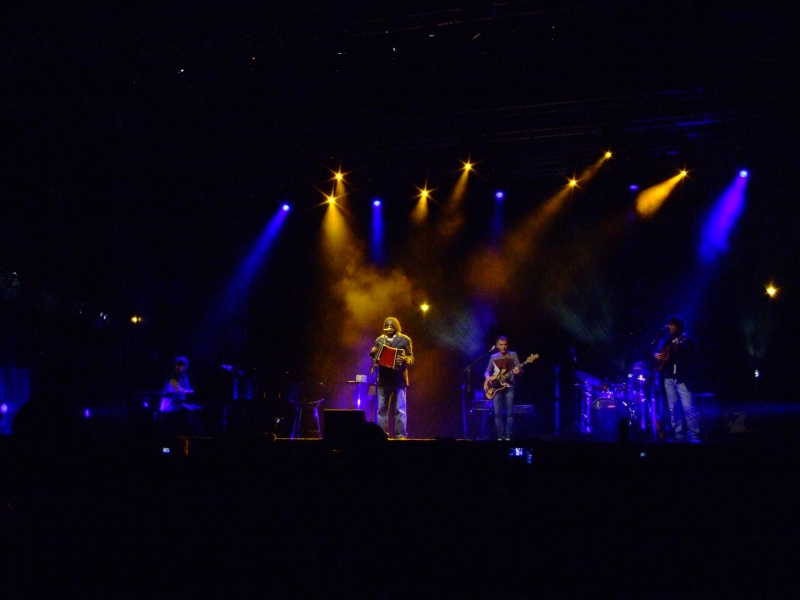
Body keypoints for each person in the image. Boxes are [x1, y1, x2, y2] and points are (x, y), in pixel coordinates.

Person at [654, 315, 700, 443]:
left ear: (678, 326)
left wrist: (681, 346)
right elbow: (661, 355)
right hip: (669, 378)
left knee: (688, 408)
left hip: (683, 378)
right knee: (673, 409)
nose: (669, 327)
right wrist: (658, 356)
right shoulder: (667, 341)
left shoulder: (686, 339)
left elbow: (692, 355)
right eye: (669, 324)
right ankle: (678, 436)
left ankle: (694, 436)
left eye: (672, 324)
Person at [369, 317, 414, 439]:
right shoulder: (380, 340)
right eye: (387, 326)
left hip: (399, 379)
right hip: (384, 379)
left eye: (392, 326)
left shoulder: (405, 340)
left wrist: (404, 359)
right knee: (381, 409)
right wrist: (373, 353)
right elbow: (376, 358)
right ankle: (381, 435)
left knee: (400, 409)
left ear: (396, 327)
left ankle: (401, 435)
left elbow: (411, 358)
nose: (389, 328)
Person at [484, 336, 522, 441]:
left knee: (510, 413)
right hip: (496, 387)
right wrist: (488, 378)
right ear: (497, 345)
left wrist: (518, 372)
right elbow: (487, 371)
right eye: (501, 345)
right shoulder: (493, 356)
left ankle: (509, 437)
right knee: (497, 413)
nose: (503, 347)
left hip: (510, 386)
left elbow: (520, 371)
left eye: (505, 345)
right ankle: (500, 437)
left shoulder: (513, 355)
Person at [159, 356, 202, 436]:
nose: (185, 367)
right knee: (191, 413)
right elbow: (176, 397)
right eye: (183, 365)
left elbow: (188, 392)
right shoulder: (172, 378)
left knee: (198, 411)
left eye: (186, 365)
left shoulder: (184, 377)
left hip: (180, 405)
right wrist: (189, 406)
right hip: (170, 407)